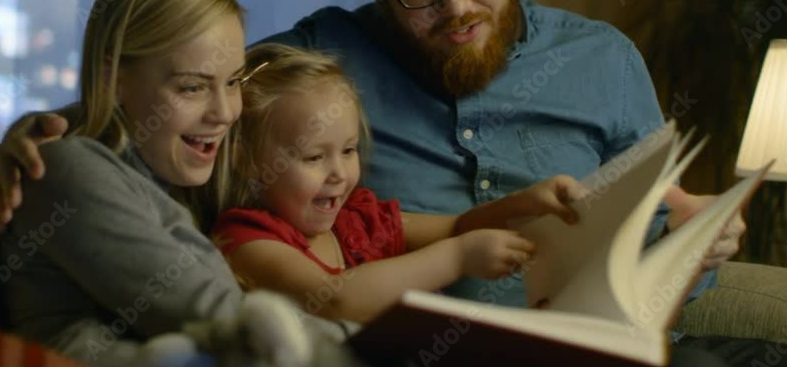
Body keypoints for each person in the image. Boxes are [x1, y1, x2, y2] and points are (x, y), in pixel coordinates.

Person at [0, 0, 787, 367]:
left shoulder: (604, 59)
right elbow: (183, 91)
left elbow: (662, 224)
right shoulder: (320, 52)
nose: (456, 6)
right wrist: (41, 128)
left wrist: (695, 239)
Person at [0, 0, 357, 367]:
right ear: (114, 79)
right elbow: (215, 312)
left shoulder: (189, 168)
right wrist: (371, 346)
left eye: (234, 81)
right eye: (192, 88)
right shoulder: (64, 168)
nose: (224, 112)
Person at [212, 43, 589, 323]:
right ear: (246, 161)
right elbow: (333, 301)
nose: (339, 173)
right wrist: (458, 258)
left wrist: (527, 203)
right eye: (313, 157)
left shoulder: (358, 220)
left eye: (348, 150)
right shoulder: (246, 240)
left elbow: (458, 226)